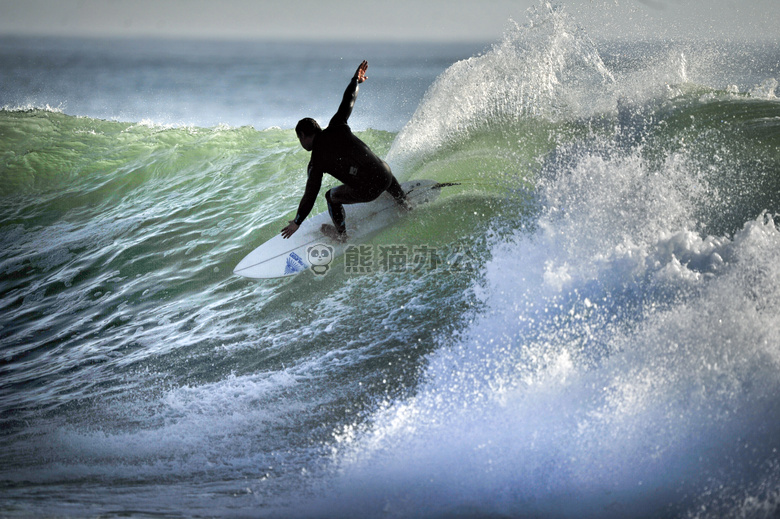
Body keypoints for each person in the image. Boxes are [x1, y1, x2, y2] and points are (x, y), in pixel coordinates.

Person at [281, 60, 409, 241]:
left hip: (369, 191)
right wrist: (355, 80)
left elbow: (310, 194)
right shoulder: (338, 125)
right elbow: (348, 100)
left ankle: (341, 236)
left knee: (330, 196)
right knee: (378, 165)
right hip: (387, 177)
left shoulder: (316, 161)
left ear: (303, 135)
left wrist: (297, 221)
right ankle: (403, 202)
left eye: (299, 138)